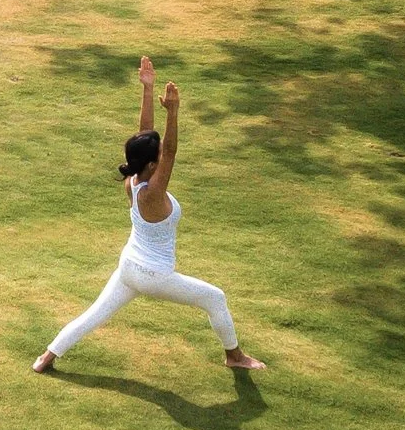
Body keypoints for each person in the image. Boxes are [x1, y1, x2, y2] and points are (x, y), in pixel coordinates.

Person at [34, 58, 265, 376]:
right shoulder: (153, 193)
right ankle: (235, 356)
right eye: (157, 157)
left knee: (95, 313)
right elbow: (169, 151)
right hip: (154, 276)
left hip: (129, 266)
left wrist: (147, 89)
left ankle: (47, 356)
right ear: (153, 165)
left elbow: (144, 135)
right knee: (215, 298)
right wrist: (173, 113)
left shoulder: (133, 180)